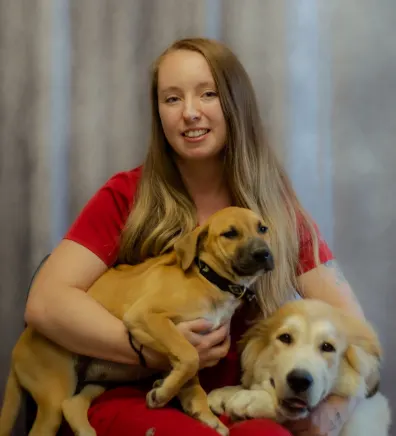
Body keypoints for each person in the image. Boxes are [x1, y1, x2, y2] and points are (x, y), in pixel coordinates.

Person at [25, 37, 365, 436]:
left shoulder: (275, 212)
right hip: (135, 394)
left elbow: (356, 333)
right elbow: (45, 302)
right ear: (159, 113)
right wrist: (151, 350)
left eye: (208, 94)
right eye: (172, 99)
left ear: (236, 104)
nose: (189, 113)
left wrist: (334, 414)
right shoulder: (126, 196)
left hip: (234, 399)